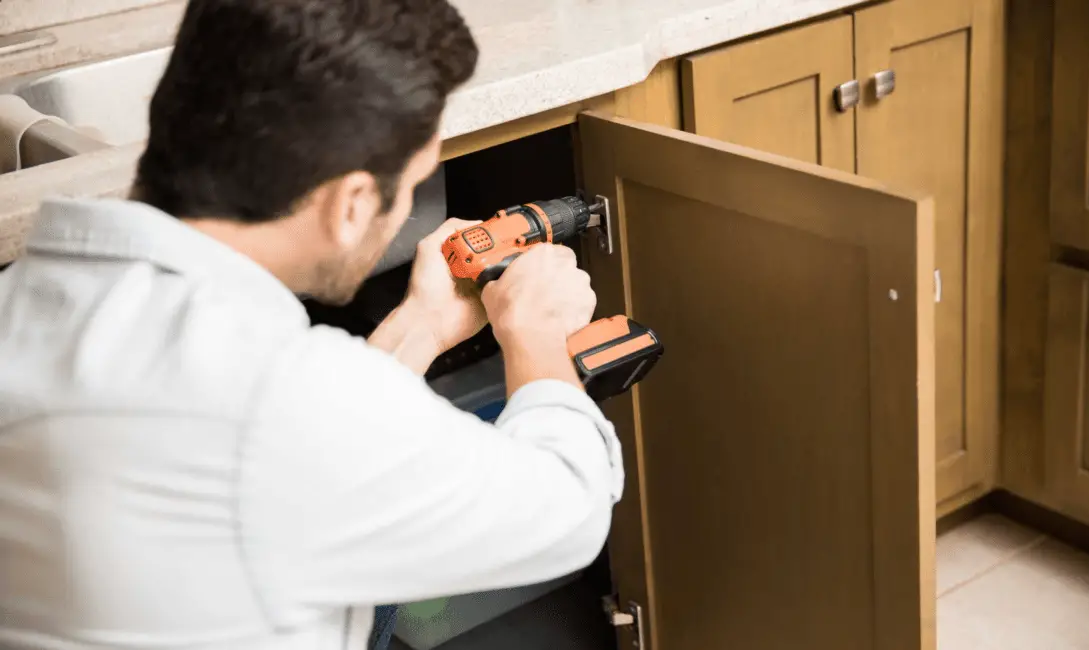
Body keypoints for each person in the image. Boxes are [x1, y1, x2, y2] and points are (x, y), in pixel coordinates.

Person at [0, 1, 625, 649]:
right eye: (411, 184)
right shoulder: (278, 400)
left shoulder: (31, 301)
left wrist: (419, 327)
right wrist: (539, 342)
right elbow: (565, 512)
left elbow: (299, 444)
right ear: (353, 203)